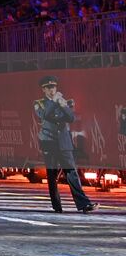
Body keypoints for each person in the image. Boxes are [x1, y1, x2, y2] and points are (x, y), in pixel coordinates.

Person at [34, 75, 98, 213]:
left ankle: (83, 204)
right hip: (49, 142)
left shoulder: (63, 101)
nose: (52, 90)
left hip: (64, 142)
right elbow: (44, 115)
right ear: (43, 89)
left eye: (54, 87)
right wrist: (56, 103)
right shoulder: (39, 103)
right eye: (49, 88)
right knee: (52, 175)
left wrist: (62, 104)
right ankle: (57, 205)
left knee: (72, 173)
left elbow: (70, 117)